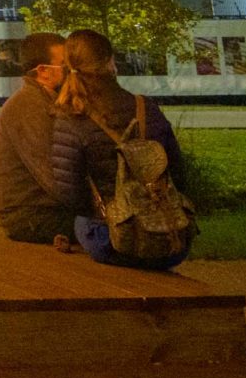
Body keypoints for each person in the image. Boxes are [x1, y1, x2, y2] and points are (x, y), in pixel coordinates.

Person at [50, 28, 194, 270]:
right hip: (169, 240)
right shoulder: (145, 107)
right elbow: (178, 173)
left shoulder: (70, 117)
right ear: (110, 62)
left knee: (81, 222)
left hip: (110, 242)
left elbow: (69, 194)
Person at [0, 31, 68, 243]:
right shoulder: (29, 107)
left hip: (38, 210)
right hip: (29, 217)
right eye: (65, 65)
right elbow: (55, 178)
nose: (72, 72)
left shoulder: (43, 102)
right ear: (43, 72)